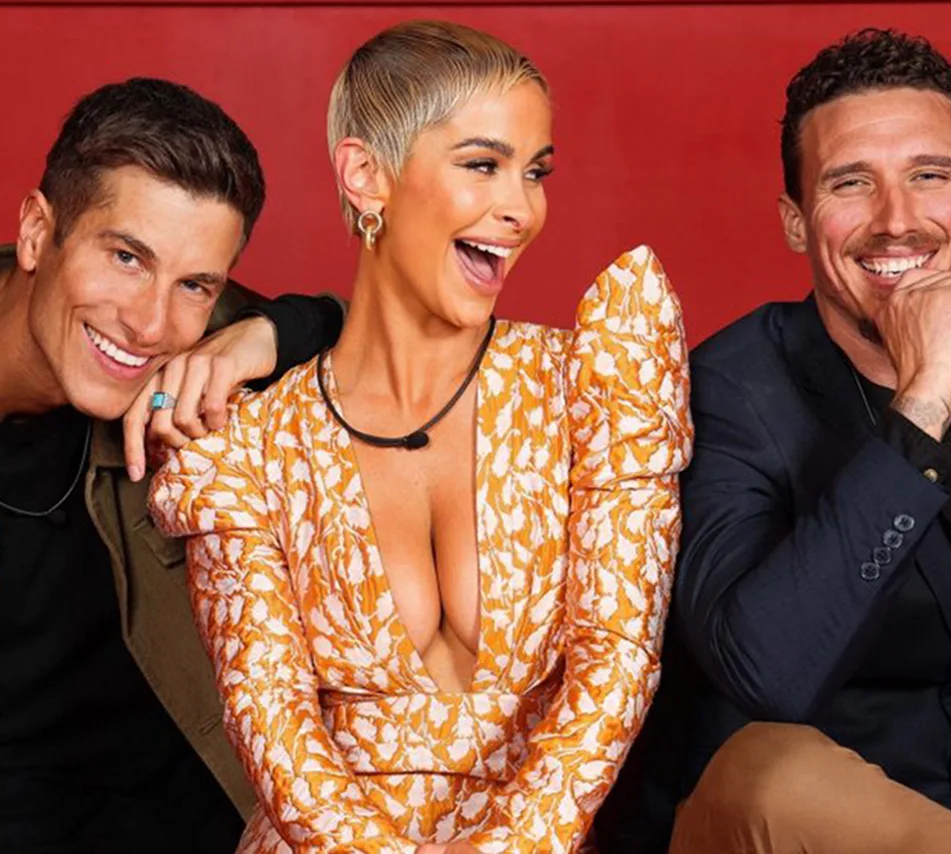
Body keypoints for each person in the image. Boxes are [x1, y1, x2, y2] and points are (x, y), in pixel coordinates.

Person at [149, 20, 690, 854]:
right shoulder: (248, 442)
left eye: (535, 172)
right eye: (482, 164)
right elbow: (270, 722)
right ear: (367, 175)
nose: (520, 209)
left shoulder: (590, 388)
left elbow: (615, 666)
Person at [662, 27, 951, 854]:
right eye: (852, 183)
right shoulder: (722, 392)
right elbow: (766, 672)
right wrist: (922, 403)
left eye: (929, 176)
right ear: (796, 222)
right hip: (808, 816)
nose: (897, 221)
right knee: (778, 773)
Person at [0, 77, 343, 852]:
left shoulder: (204, 343)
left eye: (194, 284)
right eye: (127, 257)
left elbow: (400, 348)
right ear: (37, 232)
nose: (151, 324)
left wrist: (265, 335)